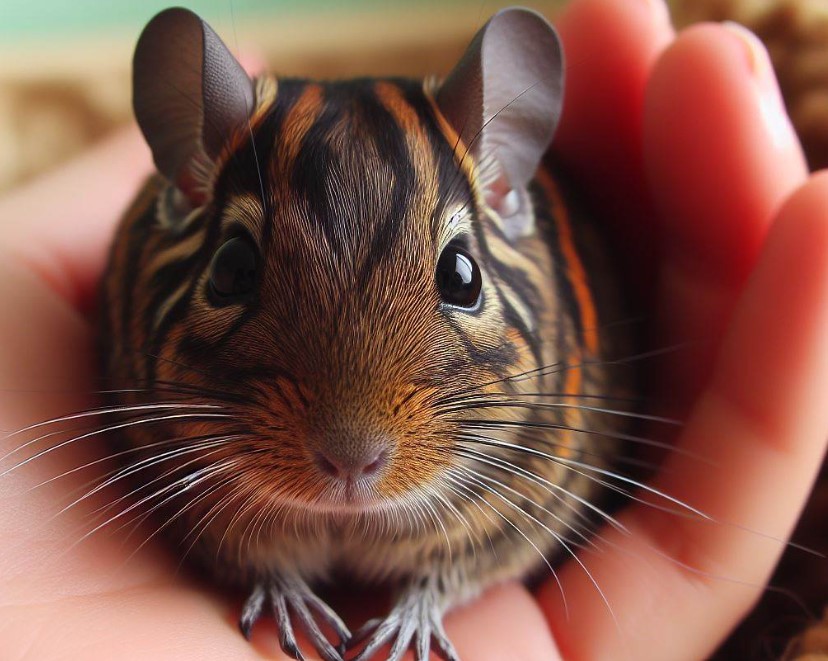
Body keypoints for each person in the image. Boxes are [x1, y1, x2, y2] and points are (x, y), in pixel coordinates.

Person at [1, 0, 827, 658]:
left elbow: (568, 465)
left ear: (505, 183)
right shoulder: (158, 316)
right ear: (187, 182)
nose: (350, 443)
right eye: (240, 275)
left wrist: (439, 588)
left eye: (459, 280)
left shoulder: (545, 403)